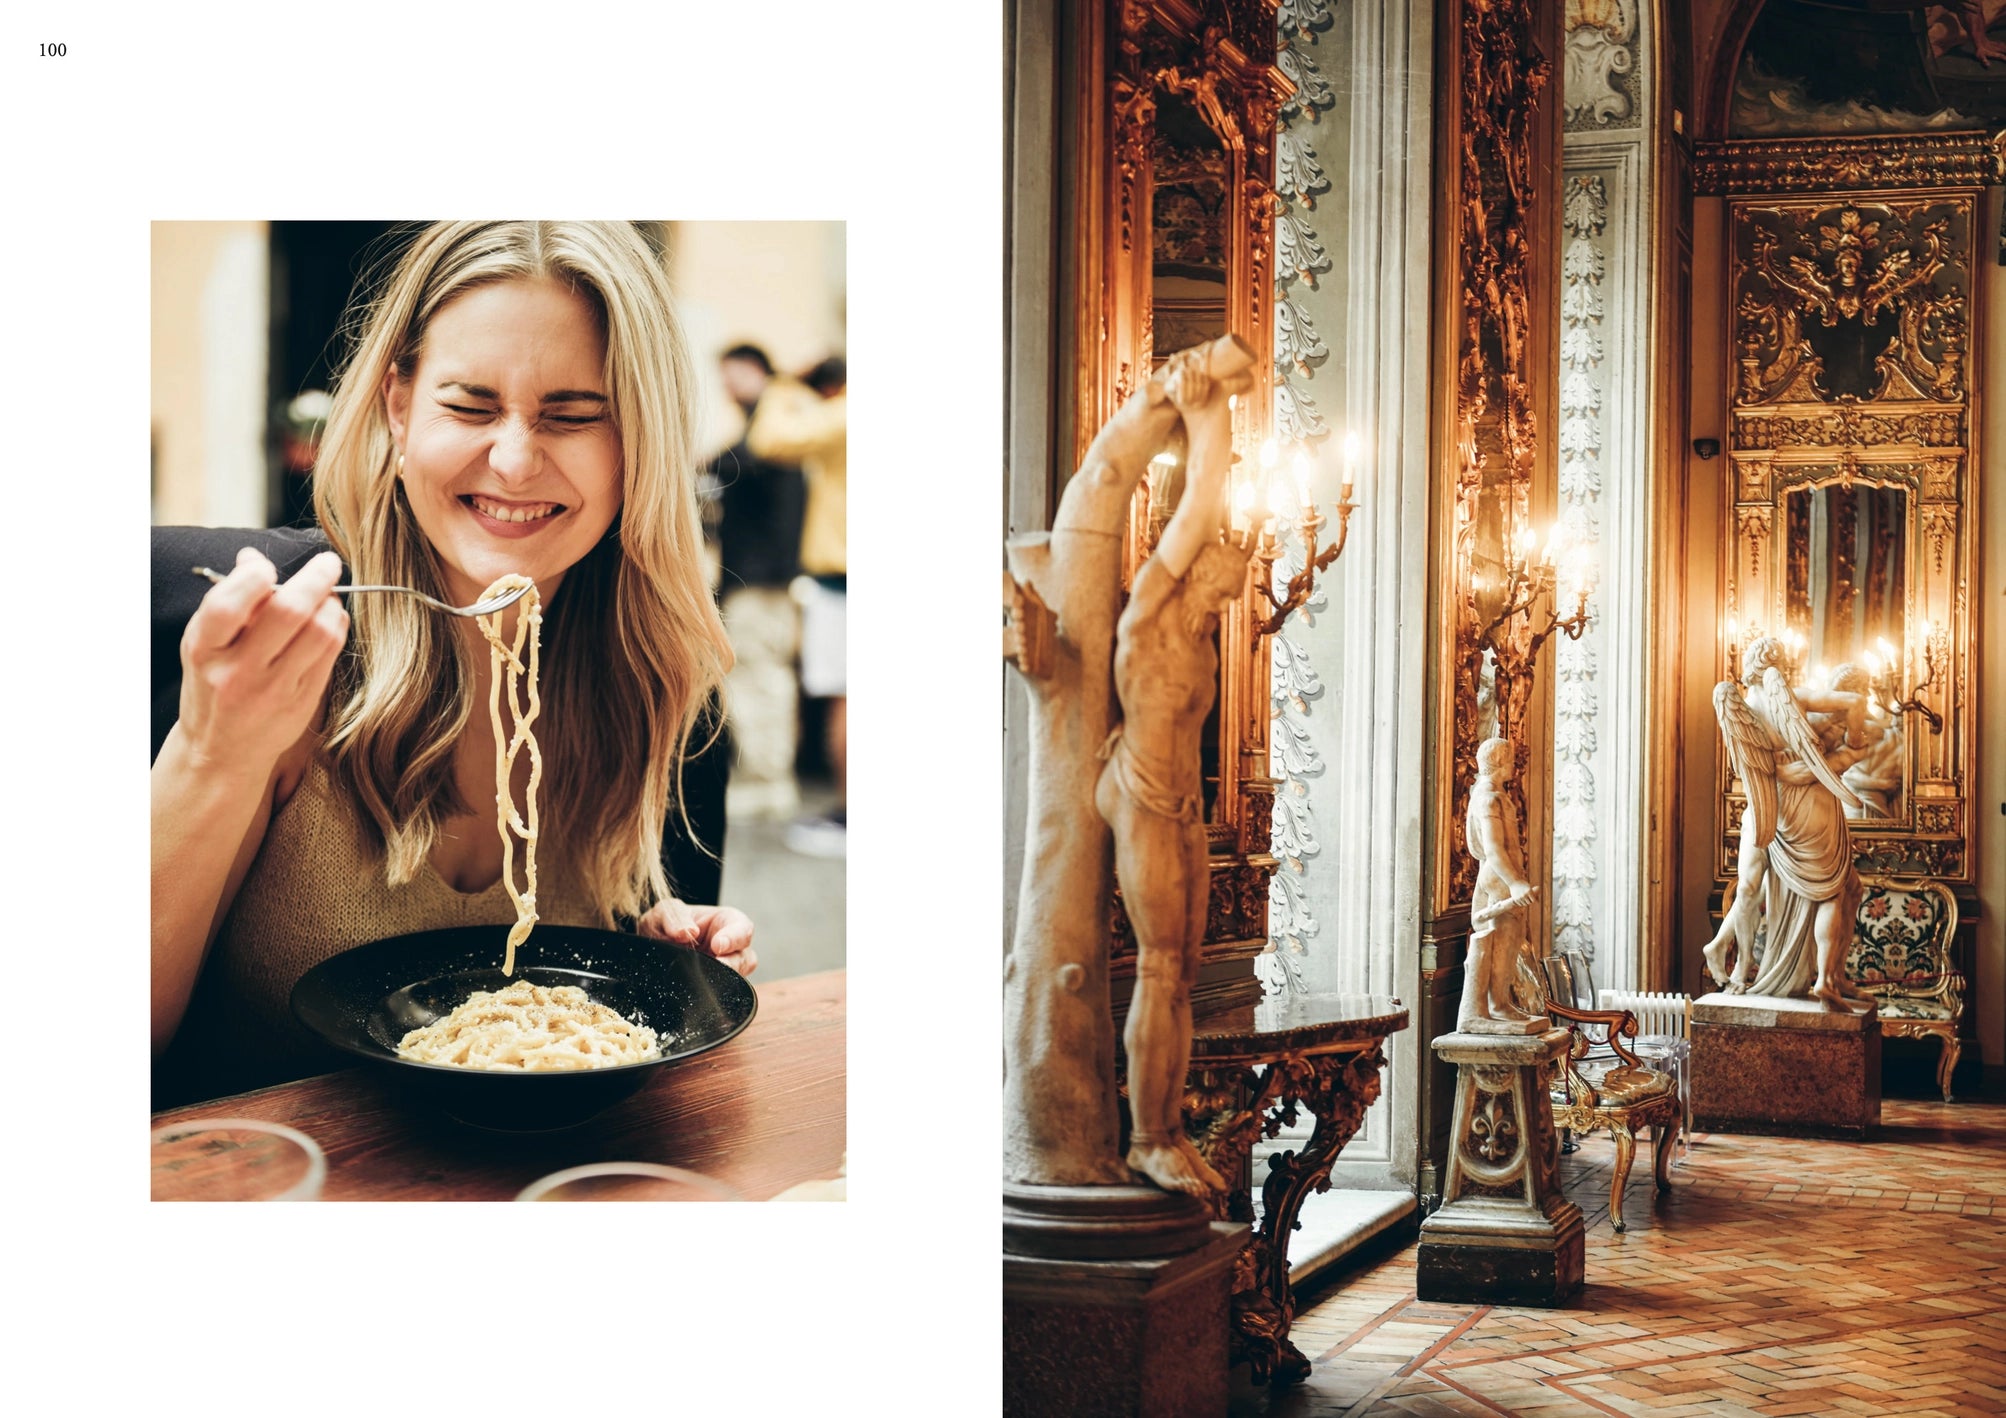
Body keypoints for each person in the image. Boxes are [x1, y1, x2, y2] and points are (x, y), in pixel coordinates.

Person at [152, 221, 757, 1101]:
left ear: (641, 443)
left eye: (575, 416)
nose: (513, 460)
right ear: (400, 408)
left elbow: (630, 1038)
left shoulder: (669, 702)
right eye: (470, 407)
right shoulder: (262, 638)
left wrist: (665, 959)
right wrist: (212, 755)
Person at [1096, 346, 1249, 1197]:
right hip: (1144, 799)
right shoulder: (1152, 607)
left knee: (1183, 972)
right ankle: (1148, 1137)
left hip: (1182, 805)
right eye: (1221, 564)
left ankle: (1168, 1127)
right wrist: (1207, 414)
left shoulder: (1199, 636)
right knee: (1159, 968)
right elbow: (1199, 505)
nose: (1232, 572)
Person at [1704, 635, 1874, 1010]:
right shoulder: (1792, 697)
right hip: (1811, 803)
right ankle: (1828, 980)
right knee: (1830, 890)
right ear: (1778, 665)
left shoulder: (1743, 708)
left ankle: (1743, 963)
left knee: (1753, 887)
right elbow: (1855, 705)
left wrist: (1790, 770)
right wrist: (1855, 740)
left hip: (1775, 806)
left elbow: (1755, 768)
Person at [749, 355, 847, 857]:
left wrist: (783, 383)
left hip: (843, 579)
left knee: (843, 698)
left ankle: (851, 814)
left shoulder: (845, 414)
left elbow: (769, 440)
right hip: (840, 579)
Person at [709, 343, 809, 821]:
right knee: (758, 677)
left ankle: (766, 785)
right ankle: (764, 783)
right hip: (760, 577)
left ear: (755, 370)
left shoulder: (775, 420)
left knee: (759, 678)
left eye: (732, 374)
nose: (726, 386)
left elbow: (735, 462)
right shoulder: (768, 419)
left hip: (763, 578)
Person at [1460, 736, 1543, 1030]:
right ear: (1499, 763)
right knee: (1505, 936)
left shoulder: (1494, 794)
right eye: (1510, 760)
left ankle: (1501, 1001)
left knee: (1511, 937)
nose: (1513, 765)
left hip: (1504, 875)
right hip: (1499, 876)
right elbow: (1494, 849)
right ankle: (1497, 1004)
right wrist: (1516, 883)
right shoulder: (1488, 798)